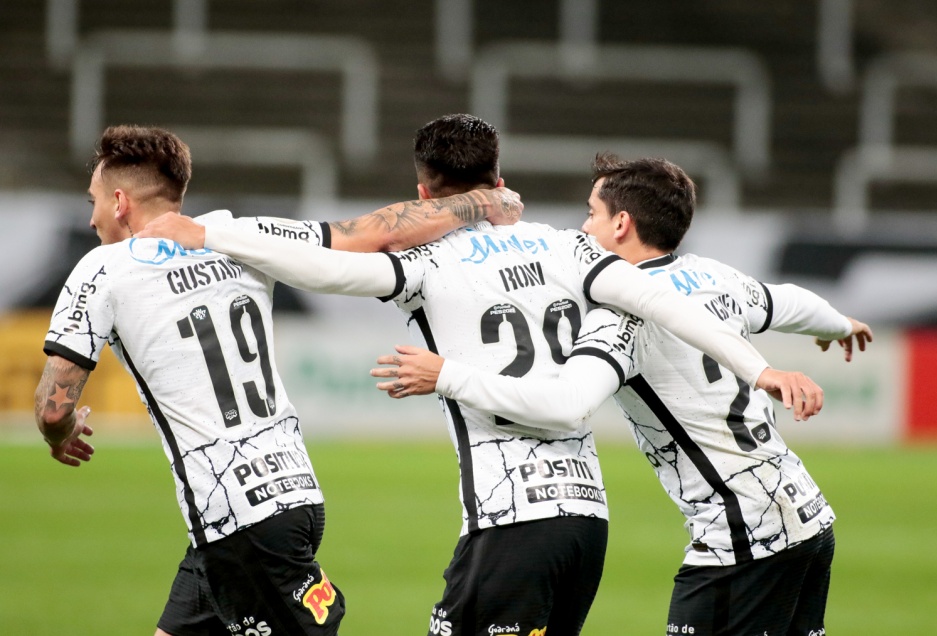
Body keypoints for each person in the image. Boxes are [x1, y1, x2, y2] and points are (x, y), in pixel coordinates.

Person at [139, 115, 825, 636]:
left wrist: (210, 233)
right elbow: (660, 299)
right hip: (587, 523)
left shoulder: (427, 266)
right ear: (499, 181)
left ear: (421, 190)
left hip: (510, 519)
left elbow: (330, 261)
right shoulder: (566, 246)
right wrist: (757, 367)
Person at [33, 124, 524, 636]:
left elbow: (52, 405)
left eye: (92, 201)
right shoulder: (241, 235)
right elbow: (378, 230)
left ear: (119, 201)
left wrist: (59, 433)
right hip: (285, 494)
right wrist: (485, 202)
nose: (90, 218)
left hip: (237, 518)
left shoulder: (100, 270)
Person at [373, 154, 874, 636]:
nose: (583, 228)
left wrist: (447, 375)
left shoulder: (621, 317)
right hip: (808, 518)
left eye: (592, 214)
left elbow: (566, 405)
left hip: (741, 542)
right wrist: (841, 323)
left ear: (621, 224)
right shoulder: (714, 276)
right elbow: (789, 301)